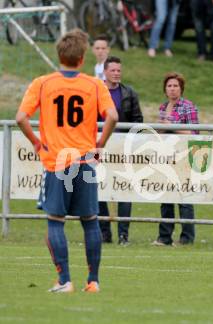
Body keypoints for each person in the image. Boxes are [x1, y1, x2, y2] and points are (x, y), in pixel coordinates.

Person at [15, 29, 118, 292]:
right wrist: (100, 144)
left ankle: (64, 280)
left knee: (55, 220)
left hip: (57, 163)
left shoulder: (43, 83)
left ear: (59, 55)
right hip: (85, 161)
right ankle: (93, 281)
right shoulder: (94, 84)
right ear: (83, 58)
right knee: (90, 220)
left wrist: (37, 143)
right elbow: (113, 117)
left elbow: (20, 118)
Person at [98, 56, 144, 245]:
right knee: (99, 191)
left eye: (119, 70)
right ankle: (104, 233)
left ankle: (123, 234)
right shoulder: (96, 91)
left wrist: (131, 140)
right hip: (100, 148)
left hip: (123, 151)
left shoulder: (129, 93)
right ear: (105, 72)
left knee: (125, 191)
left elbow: (138, 120)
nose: (116, 73)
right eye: (113, 70)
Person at [151, 72, 199, 246]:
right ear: (165, 89)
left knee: (185, 198)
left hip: (184, 157)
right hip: (166, 157)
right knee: (166, 197)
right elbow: (160, 133)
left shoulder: (188, 106)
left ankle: (187, 237)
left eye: (175, 86)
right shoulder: (163, 108)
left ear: (181, 88)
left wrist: (174, 127)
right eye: (169, 86)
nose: (172, 89)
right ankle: (165, 237)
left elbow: (195, 133)